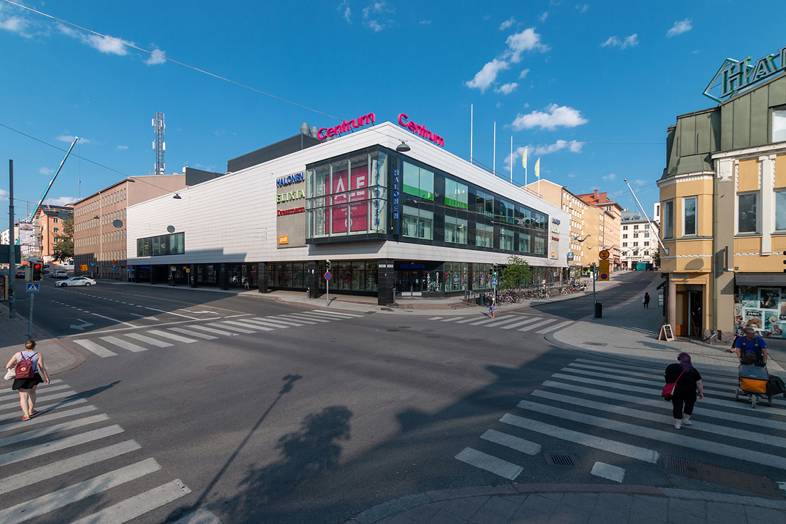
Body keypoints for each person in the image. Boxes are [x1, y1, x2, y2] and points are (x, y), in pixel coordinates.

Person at [5, 339, 50, 421]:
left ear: (25, 345)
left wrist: (17, 364)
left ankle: (26, 415)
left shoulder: (18, 354)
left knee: (23, 396)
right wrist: (46, 377)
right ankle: (31, 411)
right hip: (34, 376)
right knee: (32, 393)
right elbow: (41, 367)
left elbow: (7, 366)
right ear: (34, 346)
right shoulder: (38, 354)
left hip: (21, 377)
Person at [664, 352, 704, 430]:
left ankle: (677, 424)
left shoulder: (672, 367)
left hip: (676, 391)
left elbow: (667, 378)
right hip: (690, 392)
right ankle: (686, 419)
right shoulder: (693, 370)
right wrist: (701, 392)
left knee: (677, 406)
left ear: (679, 359)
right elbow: (699, 382)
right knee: (689, 405)